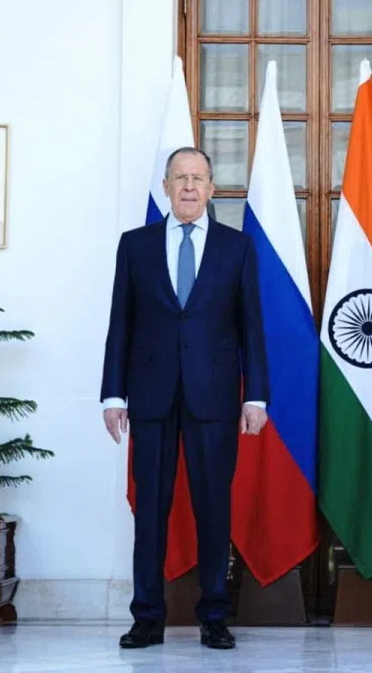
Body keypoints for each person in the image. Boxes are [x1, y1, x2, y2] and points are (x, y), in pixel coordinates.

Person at [100, 146, 270, 651]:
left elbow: (251, 327)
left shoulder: (237, 248)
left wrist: (257, 397)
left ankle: (214, 616)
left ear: (212, 188)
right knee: (151, 510)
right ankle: (147, 617)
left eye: (198, 178)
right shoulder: (135, 245)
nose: (190, 187)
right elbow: (120, 324)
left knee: (213, 507)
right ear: (167, 188)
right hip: (150, 395)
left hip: (214, 396)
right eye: (180, 178)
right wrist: (112, 395)